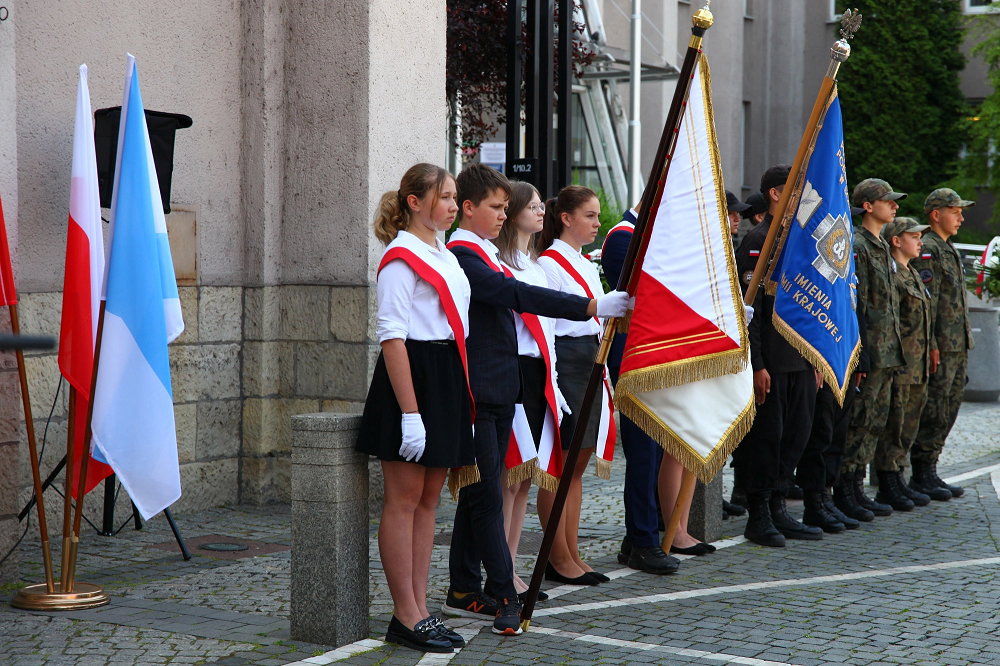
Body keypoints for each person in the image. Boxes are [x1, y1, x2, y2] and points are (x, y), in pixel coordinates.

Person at [443, 165, 628, 634]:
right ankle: (504, 591)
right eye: (497, 207)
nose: (505, 215)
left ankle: (465, 588)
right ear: (469, 208)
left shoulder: (485, 250)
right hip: (481, 387)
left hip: (504, 384)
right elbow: (516, 294)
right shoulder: (464, 251)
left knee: (486, 491)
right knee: (486, 493)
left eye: (508, 207)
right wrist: (589, 307)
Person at [357, 163, 473, 653]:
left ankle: (421, 610)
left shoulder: (440, 251)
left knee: (429, 501)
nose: (451, 205)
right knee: (403, 501)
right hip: (412, 380)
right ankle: (404, 613)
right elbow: (393, 338)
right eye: (444, 197)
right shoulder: (401, 257)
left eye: (452, 197)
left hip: (444, 376)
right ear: (414, 202)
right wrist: (409, 413)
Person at [733, 164, 824, 547]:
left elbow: (816, 303)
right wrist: (757, 364)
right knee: (766, 440)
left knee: (797, 437)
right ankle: (759, 514)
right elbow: (747, 308)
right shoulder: (759, 239)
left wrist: (817, 358)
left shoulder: (801, 240)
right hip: (771, 357)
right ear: (775, 194)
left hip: (801, 358)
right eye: (793, 190)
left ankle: (780, 507)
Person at [537, 185, 621, 583]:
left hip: (590, 359)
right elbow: (549, 326)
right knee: (561, 463)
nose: (597, 222)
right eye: (589, 215)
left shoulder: (587, 262)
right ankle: (557, 557)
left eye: (598, 215)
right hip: (567, 360)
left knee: (579, 462)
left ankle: (571, 550)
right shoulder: (550, 263)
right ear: (566, 218)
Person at [492, 181, 567, 601]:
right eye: (533, 206)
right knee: (509, 477)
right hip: (515, 371)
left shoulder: (535, 265)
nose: (542, 211)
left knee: (524, 481)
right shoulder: (501, 264)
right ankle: (499, 570)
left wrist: (553, 384)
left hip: (540, 372)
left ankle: (513, 566)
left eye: (543, 206)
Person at [602, 209, 682, 574]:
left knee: (651, 452)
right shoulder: (623, 236)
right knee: (644, 452)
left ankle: (638, 537)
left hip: (655, 352)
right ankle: (643, 540)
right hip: (635, 351)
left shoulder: (650, 235)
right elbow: (645, 295)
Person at [838, 178, 908, 513]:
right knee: (860, 420)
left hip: (887, 350)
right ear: (867, 206)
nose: (895, 206)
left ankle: (857, 487)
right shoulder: (859, 245)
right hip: (870, 350)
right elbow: (857, 304)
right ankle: (845, 487)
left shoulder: (880, 246)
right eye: (888, 201)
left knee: (876, 420)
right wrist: (860, 355)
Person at [874, 218, 950, 502]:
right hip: (901, 364)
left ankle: (899, 477)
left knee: (909, 424)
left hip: (917, 365)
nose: (920, 241)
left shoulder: (912, 274)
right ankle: (888, 481)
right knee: (894, 423)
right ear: (896, 241)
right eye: (914, 236)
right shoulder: (894, 276)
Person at [908, 189, 976, 499]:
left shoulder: (949, 249)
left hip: (957, 344)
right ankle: (921, 473)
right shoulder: (930, 249)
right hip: (941, 345)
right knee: (934, 408)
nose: (961, 217)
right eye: (955, 211)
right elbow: (929, 302)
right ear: (936, 215)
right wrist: (932, 343)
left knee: (948, 407)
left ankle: (931, 469)